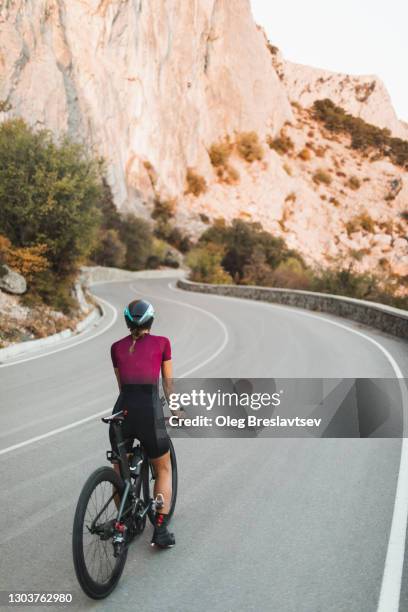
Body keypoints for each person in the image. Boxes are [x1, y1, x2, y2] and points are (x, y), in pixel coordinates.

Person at [110, 298, 175, 548]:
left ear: (126, 320)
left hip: (122, 413)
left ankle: (124, 523)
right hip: (148, 412)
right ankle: (159, 531)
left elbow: (121, 386)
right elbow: (168, 385)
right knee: (163, 469)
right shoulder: (162, 343)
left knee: (120, 473)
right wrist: (176, 409)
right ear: (151, 320)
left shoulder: (116, 347)